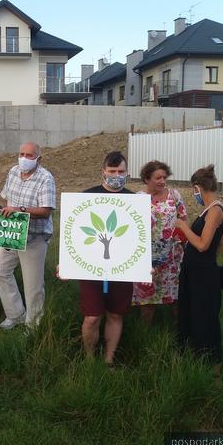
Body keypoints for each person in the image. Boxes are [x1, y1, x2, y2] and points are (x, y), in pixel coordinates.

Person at [78, 151, 134, 363]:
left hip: (123, 267)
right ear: (103, 172)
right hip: (90, 268)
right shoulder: (86, 197)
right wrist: (65, 264)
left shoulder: (134, 200)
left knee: (115, 314)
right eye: (112, 171)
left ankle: (108, 360)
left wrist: (144, 263)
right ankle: (90, 359)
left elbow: (140, 236)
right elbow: (73, 235)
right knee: (92, 317)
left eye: (121, 171)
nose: (116, 175)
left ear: (127, 173)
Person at [0, 141, 56, 329]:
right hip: (11, 233)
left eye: (29, 155)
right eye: (21, 154)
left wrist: (19, 210)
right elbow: (6, 197)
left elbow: (46, 211)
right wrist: (7, 211)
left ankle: (34, 326)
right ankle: (16, 314)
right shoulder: (13, 171)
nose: (24, 158)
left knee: (33, 286)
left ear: (39, 158)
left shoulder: (46, 178)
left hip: (33, 237)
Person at [175, 164, 223, 380]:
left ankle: (213, 371)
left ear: (197, 187)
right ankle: (195, 360)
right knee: (191, 316)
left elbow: (204, 244)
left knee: (205, 319)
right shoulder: (209, 209)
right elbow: (219, 242)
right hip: (195, 272)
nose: (193, 194)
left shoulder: (215, 210)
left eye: (193, 190)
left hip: (203, 277)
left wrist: (183, 226)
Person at [132, 161, 187, 324]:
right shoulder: (138, 198)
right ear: (147, 179)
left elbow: (183, 219)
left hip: (172, 256)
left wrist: (182, 240)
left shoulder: (174, 195)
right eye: (158, 177)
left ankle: (180, 333)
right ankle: (145, 335)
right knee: (147, 299)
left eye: (164, 177)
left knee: (176, 298)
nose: (162, 181)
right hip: (146, 257)